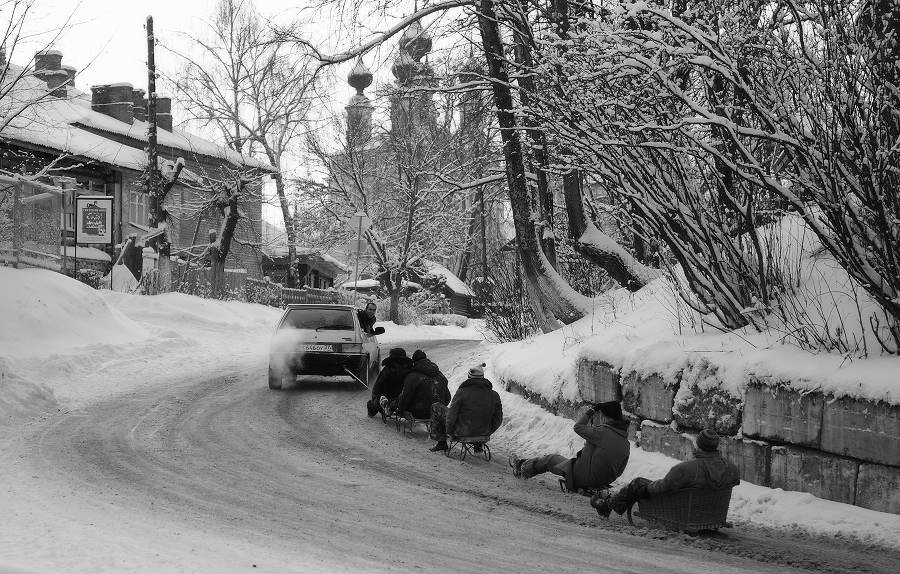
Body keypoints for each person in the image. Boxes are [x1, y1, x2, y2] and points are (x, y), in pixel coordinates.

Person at [593, 428, 740, 518]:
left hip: (683, 508)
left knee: (638, 483)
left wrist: (645, 488)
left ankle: (608, 506)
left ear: (699, 446)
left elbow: (662, 487)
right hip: (710, 510)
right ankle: (609, 504)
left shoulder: (687, 469)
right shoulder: (732, 468)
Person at [509, 401, 630, 494]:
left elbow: (578, 427)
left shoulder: (602, 432)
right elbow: (619, 471)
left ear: (603, 416)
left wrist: (591, 411)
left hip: (584, 477)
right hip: (604, 481)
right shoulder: (626, 443)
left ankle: (522, 468)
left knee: (551, 459)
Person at [428, 363, 503, 453]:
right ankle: (478, 445)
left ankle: (441, 443)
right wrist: (488, 431)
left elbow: (451, 416)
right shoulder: (494, 395)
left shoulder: (461, 393)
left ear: (469, 377)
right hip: (484, 433)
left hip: (462, 432)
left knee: (436, 407)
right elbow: (498, 418)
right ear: (483, 377)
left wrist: (450, 432)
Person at [390, 350, 451, 420]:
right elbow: (447, 398)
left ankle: (389, 407)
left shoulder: (413, 376)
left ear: (414, 362)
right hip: (437, 412)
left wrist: (400, 409)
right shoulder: (441, 376)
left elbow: (406, 398)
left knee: (402, 399)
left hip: (418, 412)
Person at [366, 348, 413, 417]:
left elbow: (377, 388)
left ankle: (380, 409)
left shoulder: (387, 370)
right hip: (403, 402)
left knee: (372, 402)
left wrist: (374, 404)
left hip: (388, 399)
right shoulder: (409, 371)